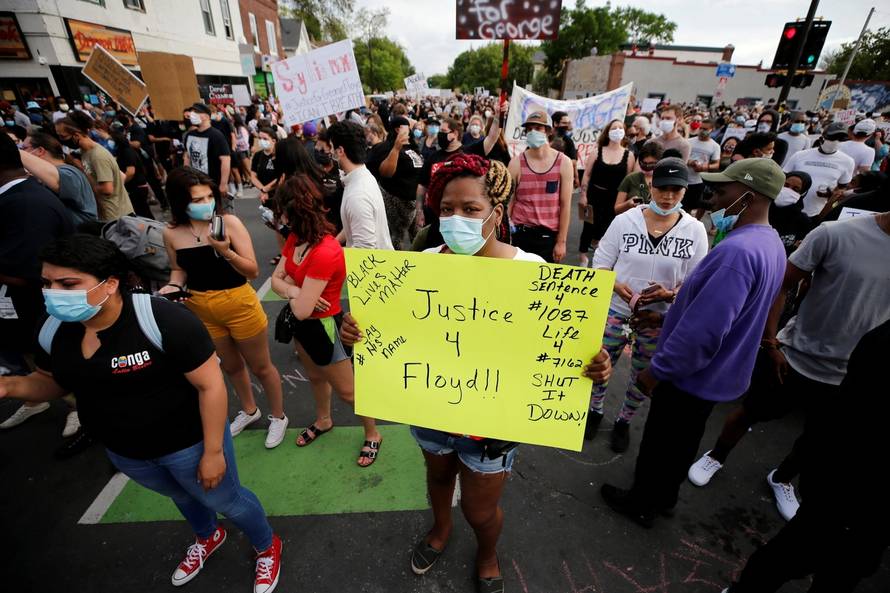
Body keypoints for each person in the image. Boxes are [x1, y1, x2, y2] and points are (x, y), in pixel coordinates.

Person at [338, 153, 615, 591]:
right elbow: (393, 335)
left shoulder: (531, 272)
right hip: (431, 412)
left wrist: (593, 365)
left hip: (492, 430)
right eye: (446, 209)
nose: (455, 219)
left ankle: (487, 552)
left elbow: (562, 348)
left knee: (481, 511)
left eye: (470, 209)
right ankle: (440, 530)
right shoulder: (422, 265)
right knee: (438, 478)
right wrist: (357, 333)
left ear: (496, 213)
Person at [0, 235, 283, 592]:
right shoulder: (52, 329)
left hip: (189, 444)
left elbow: (211, 386)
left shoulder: (163, 319)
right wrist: (9, 388)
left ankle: (266, 545)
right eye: (47, 283)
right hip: (126, 453)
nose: (53, 293)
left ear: (111, 283)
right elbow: (53, 383)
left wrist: (212, 452)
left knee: (226, 499)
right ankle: (208, 536)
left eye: (68, 284)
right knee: (182, 496)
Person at [600, 159, 787, 528]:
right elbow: (717, 311)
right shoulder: (770, 242)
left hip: (691, 375)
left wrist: (656, 372)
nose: (714, 198)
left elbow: (704, 330)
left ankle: (642, 502)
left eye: (722, 191)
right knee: (683, 443)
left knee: (661, 443)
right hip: (716, 375)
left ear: (747, 197)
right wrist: (667, 316)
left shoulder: (736, 253)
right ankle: (665, 495)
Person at [687, 211, 890, 521]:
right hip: (794, 356)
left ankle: (781, 478)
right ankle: (716, 456)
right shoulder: (834, 233)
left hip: (851, 375)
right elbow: (780, 286)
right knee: (751, 411)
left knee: (817, 439)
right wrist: (770, 342)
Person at [721, 319, 890, 593]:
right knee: (789, 555)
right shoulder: (883, 345)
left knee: (842, 574)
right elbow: (847, 421)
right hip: (846, 490)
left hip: (873, 518)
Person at [160, 167, 288, 449]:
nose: (206, 204)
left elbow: (253, 270)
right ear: (180, 201)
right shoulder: (171, 233)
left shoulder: (228, 223)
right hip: (200, 306)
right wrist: (172, 287)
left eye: (209, 197)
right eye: (197, 199)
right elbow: (177, 270)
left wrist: (225, 251)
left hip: (238, 301)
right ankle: (249, 410)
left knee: (261, 366)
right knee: (230, 366)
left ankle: (278, 416)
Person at [587, 157, 708, 451]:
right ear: (651, 186)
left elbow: (696, 282)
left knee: (643, 373)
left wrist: (670, 295)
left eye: (675, 191)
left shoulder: (694, 231)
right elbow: (600, 266)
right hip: (616, 311)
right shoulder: (624, 221)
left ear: (684, 192)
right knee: (600, 363)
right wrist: (619, 287)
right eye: (662, 189)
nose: (667, 197)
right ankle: (594, 410)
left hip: (659, 320)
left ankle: (624, 420)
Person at [270, 175, 382, 466]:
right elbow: (275, 281)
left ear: (296, 212)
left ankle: (372, 433)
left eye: (282, 211)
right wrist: (296, 290)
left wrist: (291, 290)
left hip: (324, 326)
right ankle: (324, 419)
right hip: (303, 326)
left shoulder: (326, 251)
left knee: (349, 391)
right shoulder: (297, 238)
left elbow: (304, 309)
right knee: (316, 377)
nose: (279, 218)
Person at [0, 133, 74, 433]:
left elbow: (32, 271)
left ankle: (79, 406)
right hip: (20, 310)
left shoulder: (29, 204)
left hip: (41, 309)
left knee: (54, 355)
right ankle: (35, 398)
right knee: (33, 355)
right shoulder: (15, 198)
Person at [507, 111, 573, 263]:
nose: (532, 132)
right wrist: (504, 236)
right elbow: (509, 202)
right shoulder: (516, 163)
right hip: (519, 234)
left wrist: (561, 242)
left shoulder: (563, 162)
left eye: (538, 128)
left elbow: (565, 205)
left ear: (548, 131)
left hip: (548, 237)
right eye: (529, 129)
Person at [55, 111, 134, 221]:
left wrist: (82, 182)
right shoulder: (85, 152)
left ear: (76, 135)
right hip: (109, 214)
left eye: (62, 136)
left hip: (117, 217)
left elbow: (107, 189)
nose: (60, 140)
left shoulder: (97, 156)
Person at [327, 120, 393, 250]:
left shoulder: (357, 195)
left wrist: (331, 255)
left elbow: (365, 250)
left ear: (340, 150)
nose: (329, 152)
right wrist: (334, 243)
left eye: (330, 147)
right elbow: (354, 226)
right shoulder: (361, 175)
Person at [577, 119, 635, 266]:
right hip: (593, 194)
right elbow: (587, 174)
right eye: (614, 128)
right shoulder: (597, 151)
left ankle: (599, 252)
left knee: (607, 227)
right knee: (588, 225)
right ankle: (583, 256)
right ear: (608, 132)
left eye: (620, 128)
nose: (617, 130)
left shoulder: (629, 156)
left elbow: (628, 180)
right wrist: (583, 195)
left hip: (614, 198)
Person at [366, 115, 424, 249]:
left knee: (418, 240)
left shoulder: (411, 147)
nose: (410, 130)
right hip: (396, 203)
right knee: (396, 240)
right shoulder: (386, 148)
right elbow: (386, 173)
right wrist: (396, 149)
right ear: (398, 129)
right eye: (407, 127)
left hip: (414, 203)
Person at [19, 131, 98, 227]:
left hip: (79, 236)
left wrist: (15, 152)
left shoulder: (70, 173)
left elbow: (57, 181)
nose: (22, 151)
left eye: (24, 148)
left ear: (40, 151)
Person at [782, 122, 855, 218]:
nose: (836, 141)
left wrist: (831, 194)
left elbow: (842, 187)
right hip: (787, 209)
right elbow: (782, 178)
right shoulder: (800, 155)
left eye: (841, 139)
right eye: (832, 137)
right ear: (822, 137)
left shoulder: (848, 161)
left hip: (815, 213)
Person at [183, 103, 232, 213]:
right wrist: (185, 176)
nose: (192, 115)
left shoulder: (216, 135)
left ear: (205, 116)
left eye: (195, 112)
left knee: (219, 214)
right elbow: (187, 156)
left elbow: (225, 160)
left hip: (213, 183)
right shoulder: (189, 135)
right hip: (196, 183)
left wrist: (223, 184)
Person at [110, 125, 154, 220]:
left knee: (144, 214)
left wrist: (120, 184)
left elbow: (130, 172)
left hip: (137, 188)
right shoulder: (121, 152)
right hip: (135, 187)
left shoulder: (127, 152)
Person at [684, 118, 721, 215]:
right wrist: (690, 162)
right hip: (684, 178)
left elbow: (716, 164)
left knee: (690, 207)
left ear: (711, 129)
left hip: (698, 181)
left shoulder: (715, 146)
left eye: (705, 129)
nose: (702, 131)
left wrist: (705, 167)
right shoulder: (689, 141)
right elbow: (681, 157)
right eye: (701, 128)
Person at [614, 142, 662, 214]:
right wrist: (628, 204)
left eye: (652, 164)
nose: (648, 166)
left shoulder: (665, 180)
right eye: (645, 163)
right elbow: (617, 209)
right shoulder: (631, 178)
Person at [552, 110, 580, 187]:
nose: (567, 126)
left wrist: (576, 177)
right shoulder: (545, 139)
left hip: (562, 179)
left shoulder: (568, 141)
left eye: (568, 123)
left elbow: (574, 162)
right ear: (555, 123)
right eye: (564, 123)